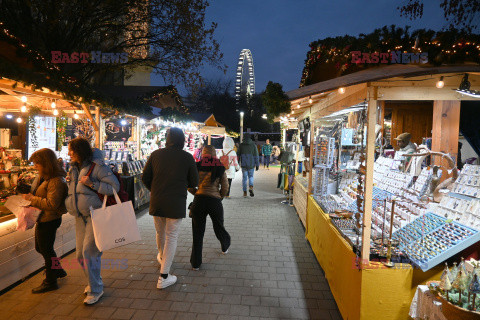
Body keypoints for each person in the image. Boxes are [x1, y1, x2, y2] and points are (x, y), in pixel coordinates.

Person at [65, 137, 120, 305]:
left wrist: (92, 184)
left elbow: (114, 187)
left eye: (71, 150)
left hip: (95, 215)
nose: (69, 153)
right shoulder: (73, 168)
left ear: (79, 150)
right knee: (79, 255)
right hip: (79, 216)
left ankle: (96, 289)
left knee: (89, 252)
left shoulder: (97, 167)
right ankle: (94, 281)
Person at [142, 128, 199, 289]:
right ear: (182, 140)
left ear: (167, 139)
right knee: (171, 236)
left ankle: (162, 257)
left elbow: (145, 177)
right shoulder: (187, 157)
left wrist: (155, 190)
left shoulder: (155, 154)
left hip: (157, 200)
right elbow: (193, 181)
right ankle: (164, 276)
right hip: (176, 202)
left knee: (160, 232)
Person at [24, 148, 68, 294]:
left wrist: (32, 199)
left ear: (46, 163)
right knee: (42, 248)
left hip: (50, 219)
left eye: (37, 164)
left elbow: (52, 204)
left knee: (46, 250)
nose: (35, 166)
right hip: (43, 218)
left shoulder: (56, 180)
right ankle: (58, 270)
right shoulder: (45, 177)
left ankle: (50, 282)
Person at [188, 146, 231, 270]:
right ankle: (225, 246)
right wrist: (219, 197)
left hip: (199, 201)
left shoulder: (197, 166)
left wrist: (196, 193)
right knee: (219, 227)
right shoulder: (219, 167)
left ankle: (195, 264)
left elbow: (189, 185)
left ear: (203, 154)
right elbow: (225, 187)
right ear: (214, 154)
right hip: (214, 202)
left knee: (197, 233)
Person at [237, 133, 259, 198]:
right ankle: (251, 187)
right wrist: (257, 164)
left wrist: (237, 163)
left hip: (244, 164)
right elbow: (256, 155)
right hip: (251, 164)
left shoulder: (241, 145)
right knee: (251, 177)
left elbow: (238, 155)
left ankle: (245, 192)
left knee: (244, 179)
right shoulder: (253, 145)